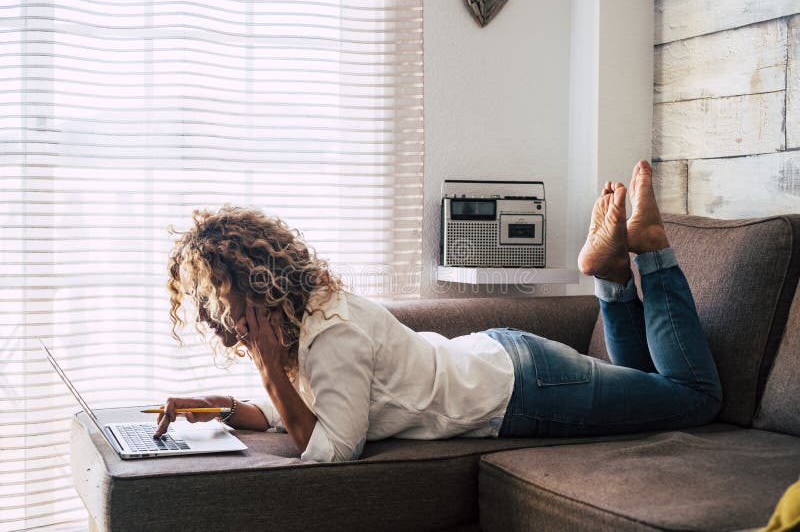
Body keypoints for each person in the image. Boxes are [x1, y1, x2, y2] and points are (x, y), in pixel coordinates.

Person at [154, 160, 722, 462]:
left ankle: (651, 253)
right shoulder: (315, 315)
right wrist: (216, 408)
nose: (216, 323)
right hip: (507, 362)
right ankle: (614, 276)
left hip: (524, 392)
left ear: (259, 287)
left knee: (695, 399)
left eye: (220, 305)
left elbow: (332, 450)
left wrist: (267, 367)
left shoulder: (331, 337)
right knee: (650, 385)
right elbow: (291, 412)